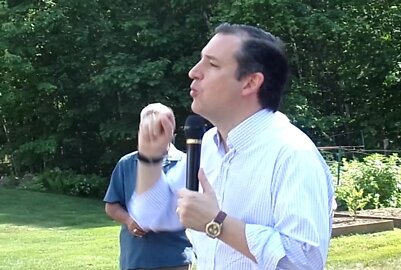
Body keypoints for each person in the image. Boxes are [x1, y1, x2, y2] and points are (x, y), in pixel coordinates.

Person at [130, 23, 335, 269]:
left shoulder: (293, 154)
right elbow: (151, 216)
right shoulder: (208, 145)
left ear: (250, 83)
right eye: (200, 61)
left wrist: (217, 223)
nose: (194, 72)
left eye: (212, 64)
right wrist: (150, 158)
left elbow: (305, 263)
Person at [103, 103, 194, 270]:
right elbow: (112, 205)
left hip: (174, 257)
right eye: (149, 124)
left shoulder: (188, 163)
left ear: (171, 128)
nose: (154, 129)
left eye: (160, 124)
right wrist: (129, 221)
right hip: (136, 257)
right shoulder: (127, 163)